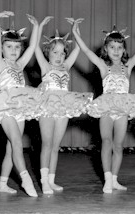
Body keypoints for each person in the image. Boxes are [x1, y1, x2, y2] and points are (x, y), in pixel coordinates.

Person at [73, 18, 135, 193]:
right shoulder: (103, 66)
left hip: (123, 108)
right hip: (106, 107)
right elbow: (86, 50)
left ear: (124, 49)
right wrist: (75, 32)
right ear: (106, 49)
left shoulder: (128, 65)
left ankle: (115, 179)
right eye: (112, 47)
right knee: (106, 142)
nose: (116, 51)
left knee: (118, 145)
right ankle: (107, 179)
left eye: (119, 47)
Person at [0, 11, 40, 197]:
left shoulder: (19, 65)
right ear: (2, 49)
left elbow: (33, 46)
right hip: (4, 104)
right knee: (17, 142)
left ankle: (3, 183)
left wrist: (36, 27)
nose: (13, 50)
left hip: (20, 106)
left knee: (11, 147)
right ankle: (26, 179)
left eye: (16, 47)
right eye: (9, 46)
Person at [35, 17, 92, 195]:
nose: (59, 57)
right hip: (47, 105)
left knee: (55, 145)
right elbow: (34, 48)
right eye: (55, 52)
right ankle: (44, 181)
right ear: (48, 53)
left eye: (62, 53)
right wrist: (40, 27)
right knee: (46, 144)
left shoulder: (66, 66)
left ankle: (51, 180)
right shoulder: (45, 66)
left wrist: (75, 30)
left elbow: (78, 49)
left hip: (63, 106)